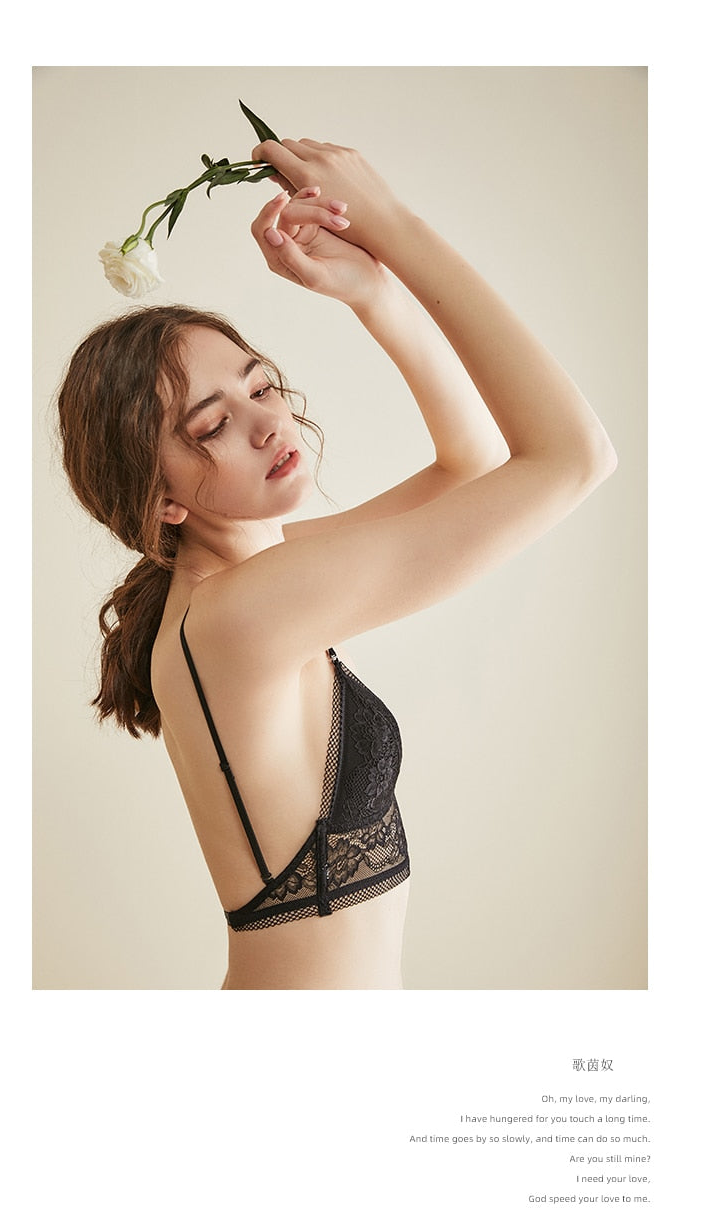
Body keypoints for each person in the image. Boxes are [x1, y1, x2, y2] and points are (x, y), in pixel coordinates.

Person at [58, 136, 616, 991]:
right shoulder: (245, 610)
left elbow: (471, 465)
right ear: (160, 501)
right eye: (213, 425)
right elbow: (574, 456)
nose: (267, 423)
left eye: (259, 386)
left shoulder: (247, 587)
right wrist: (392, 224)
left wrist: (374, 292)